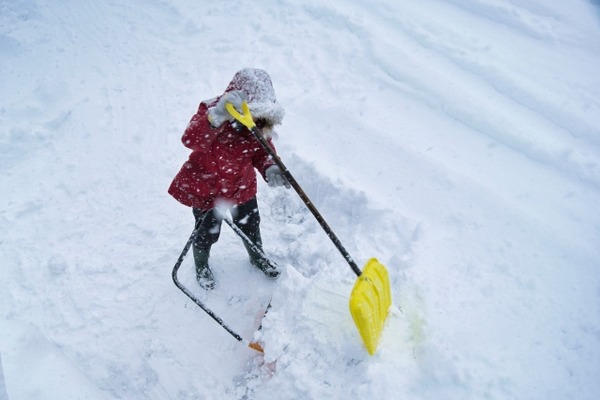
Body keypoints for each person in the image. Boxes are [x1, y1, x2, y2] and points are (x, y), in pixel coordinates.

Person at [168, 68, 290, 290]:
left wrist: (270, 166)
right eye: (252, 113)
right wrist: (216, 118)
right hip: (207, 191)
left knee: (251, 225)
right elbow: (190, 140)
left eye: (261, 116)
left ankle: (257, 256)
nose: (255, 120)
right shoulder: (212, 112)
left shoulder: (258, 125)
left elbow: (262, 151)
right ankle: (201, 264)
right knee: (206, 232)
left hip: (241, 188)